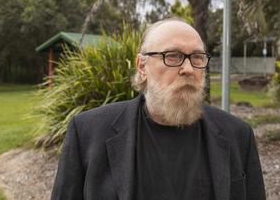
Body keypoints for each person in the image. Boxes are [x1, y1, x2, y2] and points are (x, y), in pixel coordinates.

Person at [51, 18, 266, 200]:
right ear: (142, 66)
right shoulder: (88, 132)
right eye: (173, 56)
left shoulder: (238, 135)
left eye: (198, 57)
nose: (189, 69)